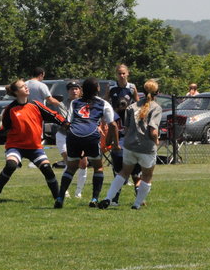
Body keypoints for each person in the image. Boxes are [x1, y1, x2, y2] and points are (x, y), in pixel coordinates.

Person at [0, 79, 66, 201]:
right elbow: (5, 127)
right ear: (16, 92)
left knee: (46, 168)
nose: (26, 87)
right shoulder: (10, 109)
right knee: (11, 165)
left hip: (34, 147)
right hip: (16, 146)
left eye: (25, 85)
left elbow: (53, 115)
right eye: (22, 86)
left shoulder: (35, 105)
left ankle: (58, 198)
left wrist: (65, 123)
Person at [99, 79, 162, 210]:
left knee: (124, 172)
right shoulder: (156, 107)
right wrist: (156, 140)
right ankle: (137, 204)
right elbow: (153, 131)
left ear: (142, 91)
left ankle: (108, 198)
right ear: (157, 93)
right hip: (146, 147)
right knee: (147, 176)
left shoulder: (131, 107)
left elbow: (126, 129)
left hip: (129, 146)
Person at [54, 78, 118, 208]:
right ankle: (94, 199)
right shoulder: (103, 103)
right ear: (98, 89)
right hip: (91, 135)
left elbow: (68, 122)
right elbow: (113, 125)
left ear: (82, 89)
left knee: (71, 167)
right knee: (98, 167)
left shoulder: (75, 102)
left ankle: (60, 197)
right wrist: (115, 144)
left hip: (74, 135)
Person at [105, 63, 141, 205]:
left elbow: (138, 104)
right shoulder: (112, 87)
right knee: (118, 165)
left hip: (130, 129)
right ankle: (115, 198)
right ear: (116, 74)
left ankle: (139, 197)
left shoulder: (131, 88)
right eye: (119, 73)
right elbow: (105, 102)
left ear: (128, 74)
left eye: (123, 73)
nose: (121, 75)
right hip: (116, 127)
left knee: (135, 167)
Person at [54, 81, 88, 198]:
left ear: (80, 90)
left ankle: (78, 192)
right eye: (71, 89)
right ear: (68, 91)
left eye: (76, 88)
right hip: (64, 136)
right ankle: (65, 190)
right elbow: (66, 122)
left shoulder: (85, 104)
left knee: (83, 163)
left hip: (80, 136)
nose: (74, 91)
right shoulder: (63, 105)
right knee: (70, 162)